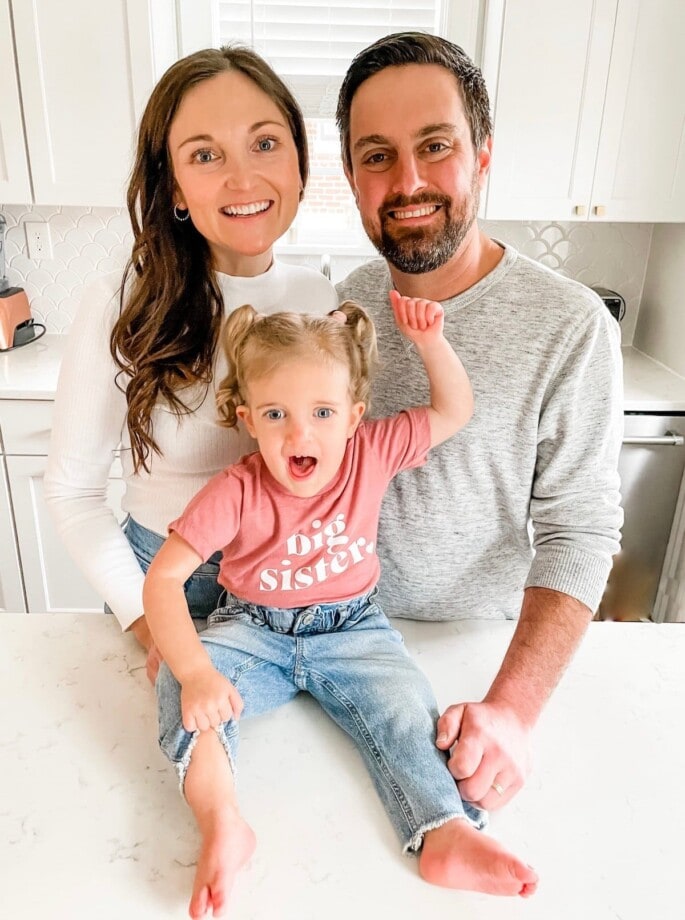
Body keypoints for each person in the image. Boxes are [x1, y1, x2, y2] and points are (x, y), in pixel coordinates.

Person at [144, 295, 538, 918]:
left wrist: (430, 342)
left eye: (322, 412)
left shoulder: (373, 451)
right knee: (176, 689)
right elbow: (163, 581)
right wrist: (194, 671)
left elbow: (454, 409)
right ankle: (223, 825)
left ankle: (444, 832)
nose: (300, 434)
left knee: (409, 709)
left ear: (354, 417)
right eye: (276, 413)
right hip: (252, 629)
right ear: (248, 418)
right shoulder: (237, 488)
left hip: (355, 628)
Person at [335, 32, 623, 813]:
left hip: (482, 660)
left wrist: (511, 710)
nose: (409, 180)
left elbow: (581, 531)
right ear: (350, 176)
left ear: (482, 153)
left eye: (436, 145)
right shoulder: (351, 297)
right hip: (343, 641)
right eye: (376, 155)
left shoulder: (570, 324)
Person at [44, 45, 338, 673]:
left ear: (299, 162)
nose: (243, 178)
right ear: (174, 185)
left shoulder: (319, 298)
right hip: (166, 588)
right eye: (206, 155)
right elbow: (73, 493)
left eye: (265, 144)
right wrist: (154, 625)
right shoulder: (121, 304)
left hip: (287, 588)